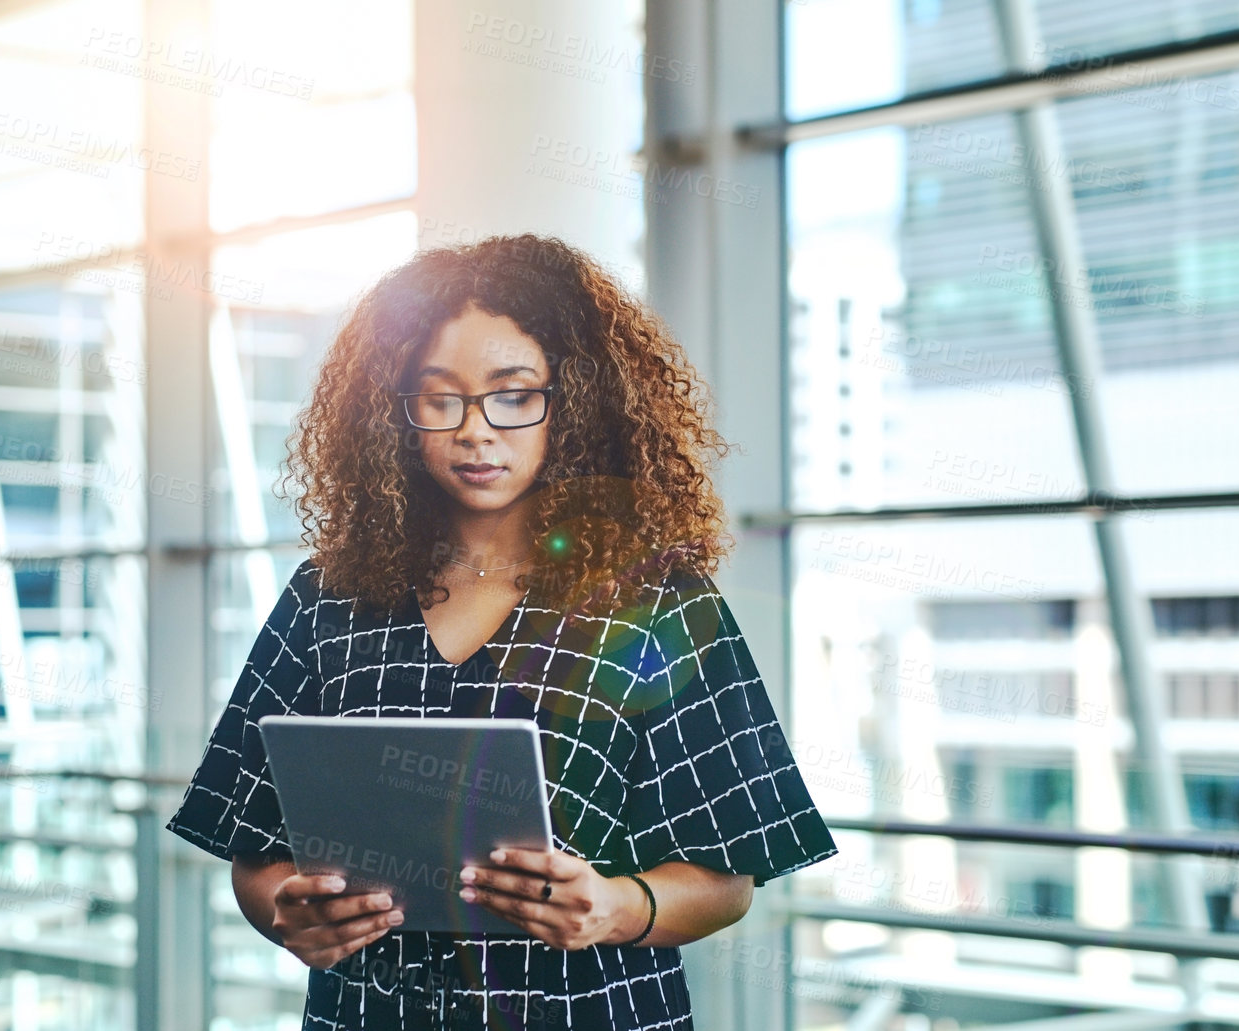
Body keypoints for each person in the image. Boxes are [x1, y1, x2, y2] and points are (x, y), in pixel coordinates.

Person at [167, 234, 836, 1030]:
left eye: (513, 395)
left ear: (577, 402)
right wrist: (289, 908)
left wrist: (615, 907)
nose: (474, 430)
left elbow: (728, 876)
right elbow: (254, 847)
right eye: (439, 396)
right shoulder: (329, 597)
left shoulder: (652, 604)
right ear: (396, 412)